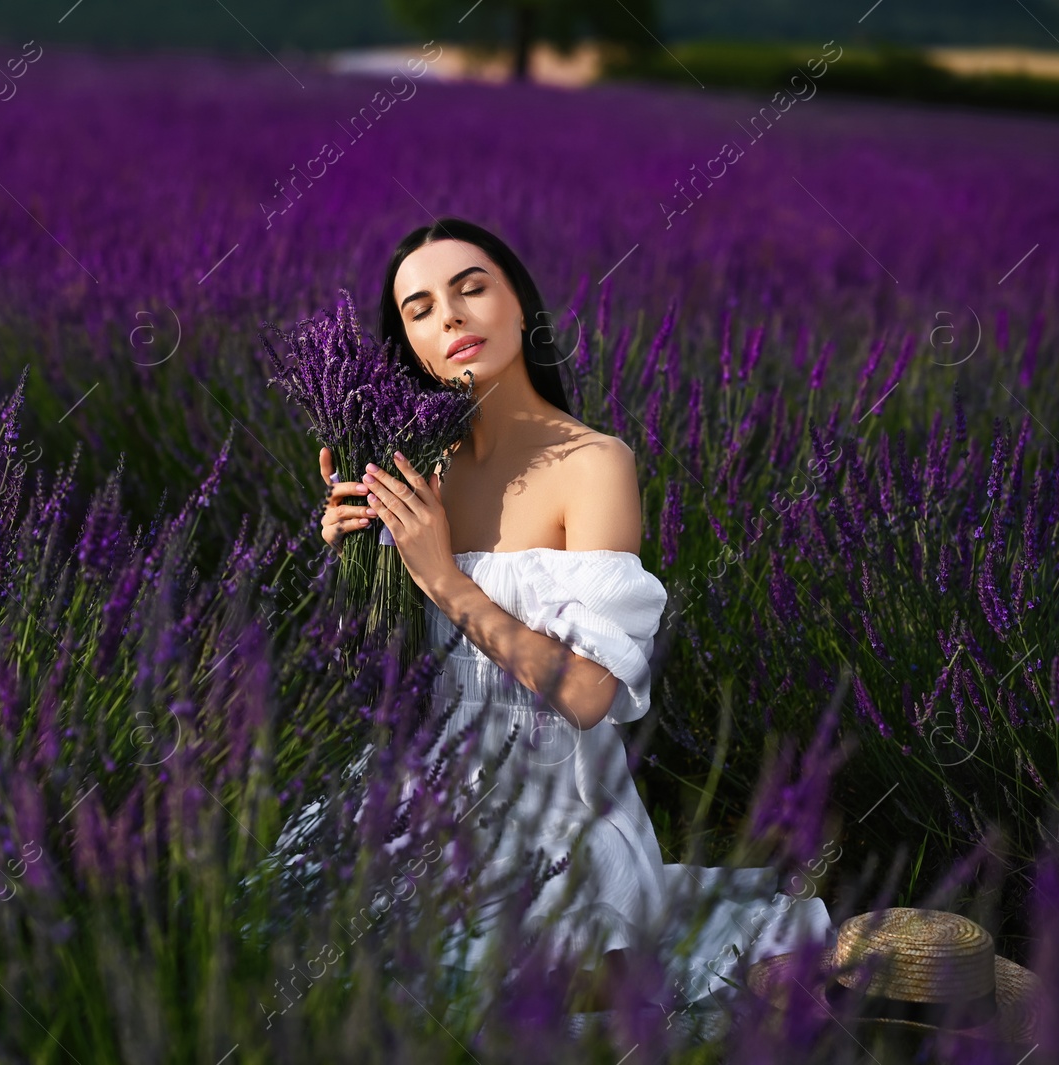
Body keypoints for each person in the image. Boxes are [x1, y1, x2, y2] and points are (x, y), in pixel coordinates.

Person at [317, 217, 831, 1026]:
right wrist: (355, 560)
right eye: (418, 308)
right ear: (408, 344)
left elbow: (590, 692)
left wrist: (445, 580)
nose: (448, 316)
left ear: (520, 303)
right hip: (426, 789)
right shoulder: (423, 472)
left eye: (471, 287)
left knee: (481, 994)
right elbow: (379, 675)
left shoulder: (594, 464)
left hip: (558, 815)